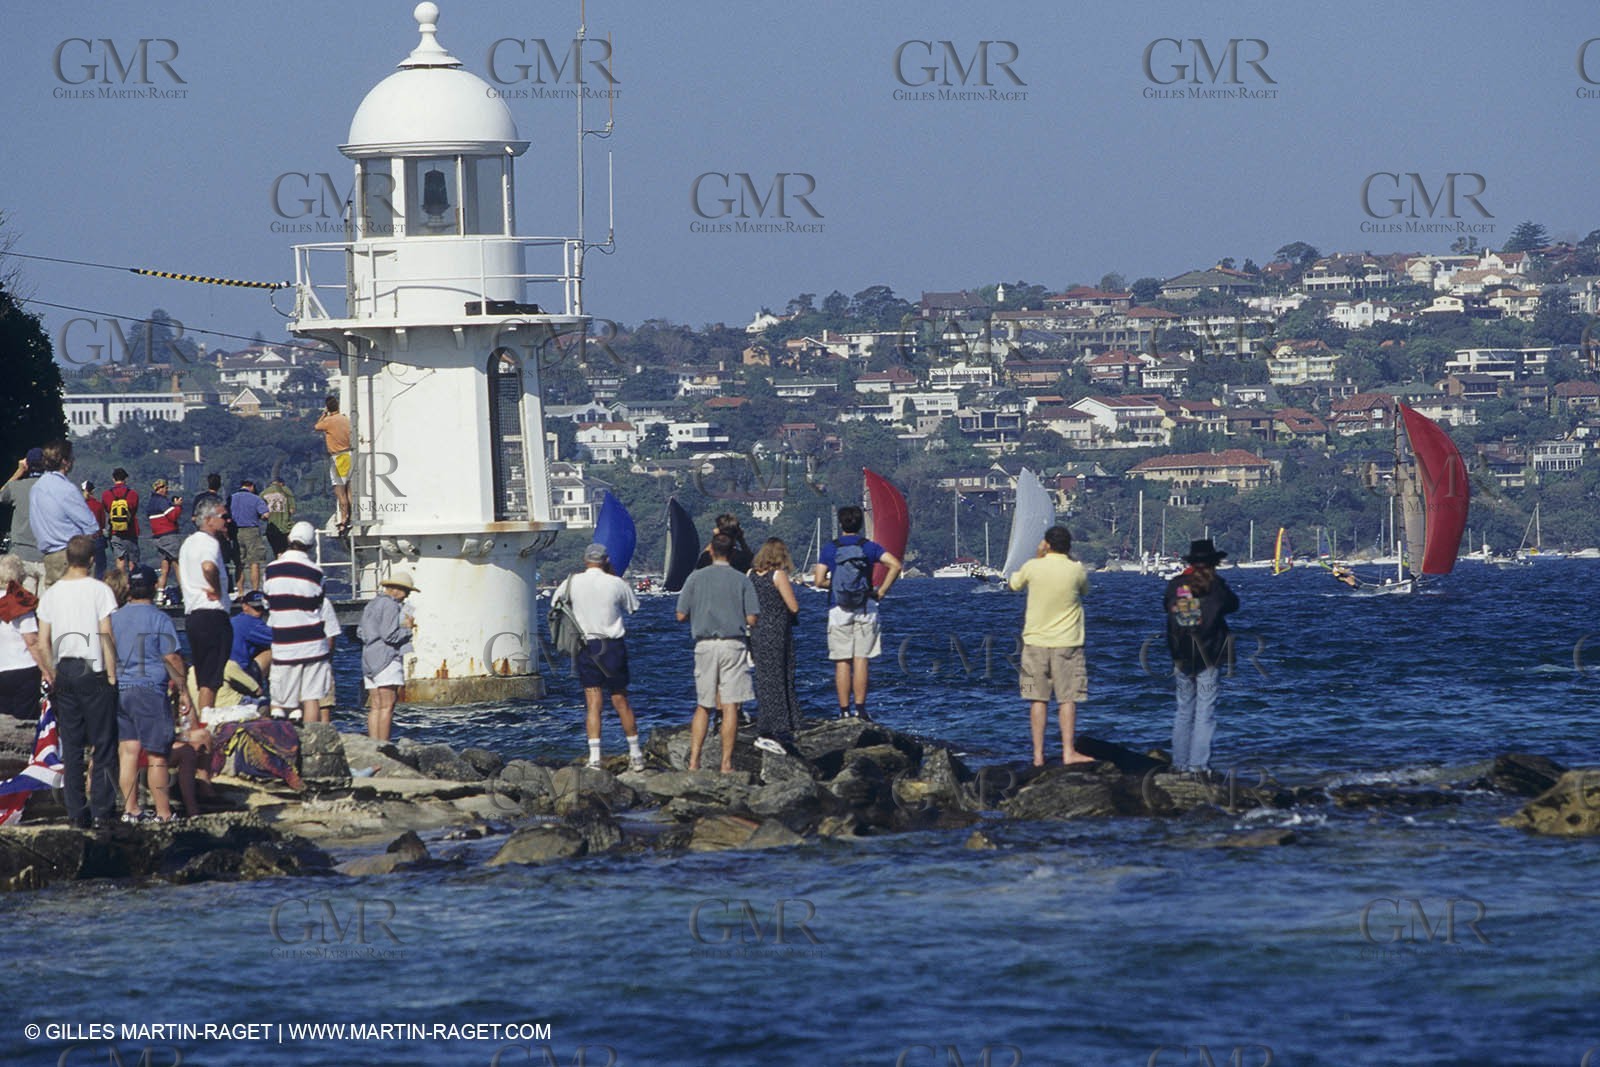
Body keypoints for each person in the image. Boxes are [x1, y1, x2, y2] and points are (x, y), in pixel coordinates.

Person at [34, 535, 118, 832]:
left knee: (71, 746)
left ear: (67, 558)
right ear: (92, 559)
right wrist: (112, 674)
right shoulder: (100, 590)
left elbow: (43, 642)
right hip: (93, 668)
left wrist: (51, 672)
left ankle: (76, 813)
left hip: (65, 669)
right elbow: (105, 633)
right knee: (104, 744)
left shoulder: (52, 594)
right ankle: (102, 810)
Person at [1008, 525, 1093, 767]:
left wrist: (1037, 557)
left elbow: (1014, 584)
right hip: (1067, 642)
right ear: (1068, 546)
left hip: (1035, 642)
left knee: (1037, 700)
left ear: (1046, 544)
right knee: (1067, 699)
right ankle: (1068, 752)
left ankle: (1038, 756)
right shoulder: (1076, 570)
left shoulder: (1033, 566)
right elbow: (1085, 590)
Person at [555, 543, 645, 771]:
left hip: (587, 645)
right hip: (612, 645)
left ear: (586, 560)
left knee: (593, 703)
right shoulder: (615, 583)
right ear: (605, 561)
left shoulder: (571, 582)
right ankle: (635, 754)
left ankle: (595, 757)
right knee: (621, 700)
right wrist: (613, 575)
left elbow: (555, 604)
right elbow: (633, 607)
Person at [112, 565, 190, 824]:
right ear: (155, 586)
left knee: (128, 751)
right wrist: (183, 690)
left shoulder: (114, 618)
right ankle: (164, 813)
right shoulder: (160, 619)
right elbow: (172, 657)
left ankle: (131, 810)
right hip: (149, 689)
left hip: (122, 689)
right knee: (158, 753)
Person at [676, 533, 760, 773]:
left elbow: (680, 615)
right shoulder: (741, 580)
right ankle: (726, 763)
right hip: (733, 643)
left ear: (710, 551)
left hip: (705, 644)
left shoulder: (695, 578)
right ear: (732, 554)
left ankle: (694, 761)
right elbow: (752, 617)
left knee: (704, 704)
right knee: (731, 705)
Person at [812, 504, 901, 721]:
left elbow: (818, 580)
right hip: (865, 606)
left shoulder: (830, 549)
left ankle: (843, 711)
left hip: (838, 607)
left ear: (841, 524)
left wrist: (835, 586)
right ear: (860, 524)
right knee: (861, 659)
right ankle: (860, 709)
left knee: (842, 661)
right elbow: (895, 565)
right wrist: (881, 592)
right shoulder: (870, 547)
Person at [1164, 538, 1241, 774]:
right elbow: (1233, 605)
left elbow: (1165, 605)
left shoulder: (1177, 585)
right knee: (1205, 713)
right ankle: (1198, 766)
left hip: (1182, 653)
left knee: (1184, 710)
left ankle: (1179, 764)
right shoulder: (1217, 587)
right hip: (1210, 654)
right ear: (1213, 563)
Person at [263, 520, 332, 724]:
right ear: (311, 546)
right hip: (312, 642)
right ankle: (312, 742)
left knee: (281, 699)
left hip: (284, 643)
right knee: (311, 697)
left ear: (289, 539)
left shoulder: (271, 570)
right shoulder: (316, 573)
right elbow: (319, 604)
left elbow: (267, 603)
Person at [180, 500, 233, 723]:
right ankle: (206, 722)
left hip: (193, 614)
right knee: (212, 677)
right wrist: (217, 589)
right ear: (209, 520)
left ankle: (203, 718)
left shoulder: (187, 544)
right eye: (223, 516)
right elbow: (208, 566)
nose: (227, 520)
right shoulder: (209, 543)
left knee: (204, 675)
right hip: (212, 612)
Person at [748, 537, 802, 753]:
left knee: (764, 677)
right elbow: (793, 606)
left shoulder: (750, 575)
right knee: (781, 675)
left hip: (757, 630)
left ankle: (766, 719)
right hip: (777, 630)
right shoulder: (778, 575)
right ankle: (783, 722)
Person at [29, 440, 99, 591]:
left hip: (49, 557)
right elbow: (91, 526)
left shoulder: (36, 488)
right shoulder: (66, 489)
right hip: (72, 557)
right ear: (65, 461)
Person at [357, 571, 417, 743]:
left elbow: (360, 631)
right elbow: (389, 635)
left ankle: (374, 744)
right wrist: (407, 629)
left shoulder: (372, 604)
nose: (407, 596)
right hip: (386, 659)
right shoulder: (391, 606)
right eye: (407, 591)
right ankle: (384, 745)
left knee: (375, 705)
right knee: (387, 705)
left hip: (369, 658)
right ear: (398, 590)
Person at [0, 554, 47, 720]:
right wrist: (46, 670)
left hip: (2, 668)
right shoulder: (19, 603)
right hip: (23, 669)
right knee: (25, 721)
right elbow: (31, 641)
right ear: (19, 576)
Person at [0, 447, 44, 591]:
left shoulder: (16, 487)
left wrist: (18, 472)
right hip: (46, 555)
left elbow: (1, 495)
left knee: (24, 608)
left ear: (26, 464)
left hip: (21, 555)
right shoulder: (53, 488)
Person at [314, 397, 353, 536]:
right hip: (350, 455)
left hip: (338, 457)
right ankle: (352, 515)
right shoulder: (345, 419)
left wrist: (324, 414)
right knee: (349, 490)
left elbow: (316, 426)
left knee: (339, 491)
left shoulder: (329, 421)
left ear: (328, 408)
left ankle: (344, 518)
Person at [146, 478, 183, 604]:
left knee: (165, 566)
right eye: (165, 488)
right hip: (168, 536)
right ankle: (185, 591)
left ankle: (160, 594)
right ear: (160, 488)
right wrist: (177, 506)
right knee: (178, 563)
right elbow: (172, 516)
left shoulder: (151, 502)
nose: (167, 490)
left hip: (158, 537)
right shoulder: (162, 501)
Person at [230, 479, 271, 593]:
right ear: (251, 487)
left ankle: (240, 592)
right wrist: (260, 517)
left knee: (239, 563)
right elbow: (266, 515)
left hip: (235, 531)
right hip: (252, 531)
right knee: (254, 562)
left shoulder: (232, 498)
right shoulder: (256, 499)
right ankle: (255, 591)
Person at [101, 468, 141, 574]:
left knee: (120, 560)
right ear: (125, 479)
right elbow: (134, 510)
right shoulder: (133, 494)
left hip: (115, 531)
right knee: (133, 561)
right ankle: (133, 584)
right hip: (131, 531)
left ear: (113, 479)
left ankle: (121, 585)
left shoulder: (106, 494)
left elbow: (107, 509)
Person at [231, 589, 274, 679]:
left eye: (261, 608)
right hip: (241, 672)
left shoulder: (235, 620)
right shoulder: (250, 623)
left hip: (229, 670)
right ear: (244, 606)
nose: (259, 612)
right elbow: (279, 638)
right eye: (256, 608)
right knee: (276, 650)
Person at [260, 475, 296, 558]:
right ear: (281, 483)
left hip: (272, 529)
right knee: (288, 552)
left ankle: (279, 567)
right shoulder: (286, 491)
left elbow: (262, 515)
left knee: (277, 552)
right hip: (286, 527)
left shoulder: (263, 493)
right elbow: (292, 510)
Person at [82, 480, 108, 579]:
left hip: (82, 540)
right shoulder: (98, 505)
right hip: (97, 539)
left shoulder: (79, 505)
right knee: (100, 568)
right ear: (93, 491)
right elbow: (102, 524)